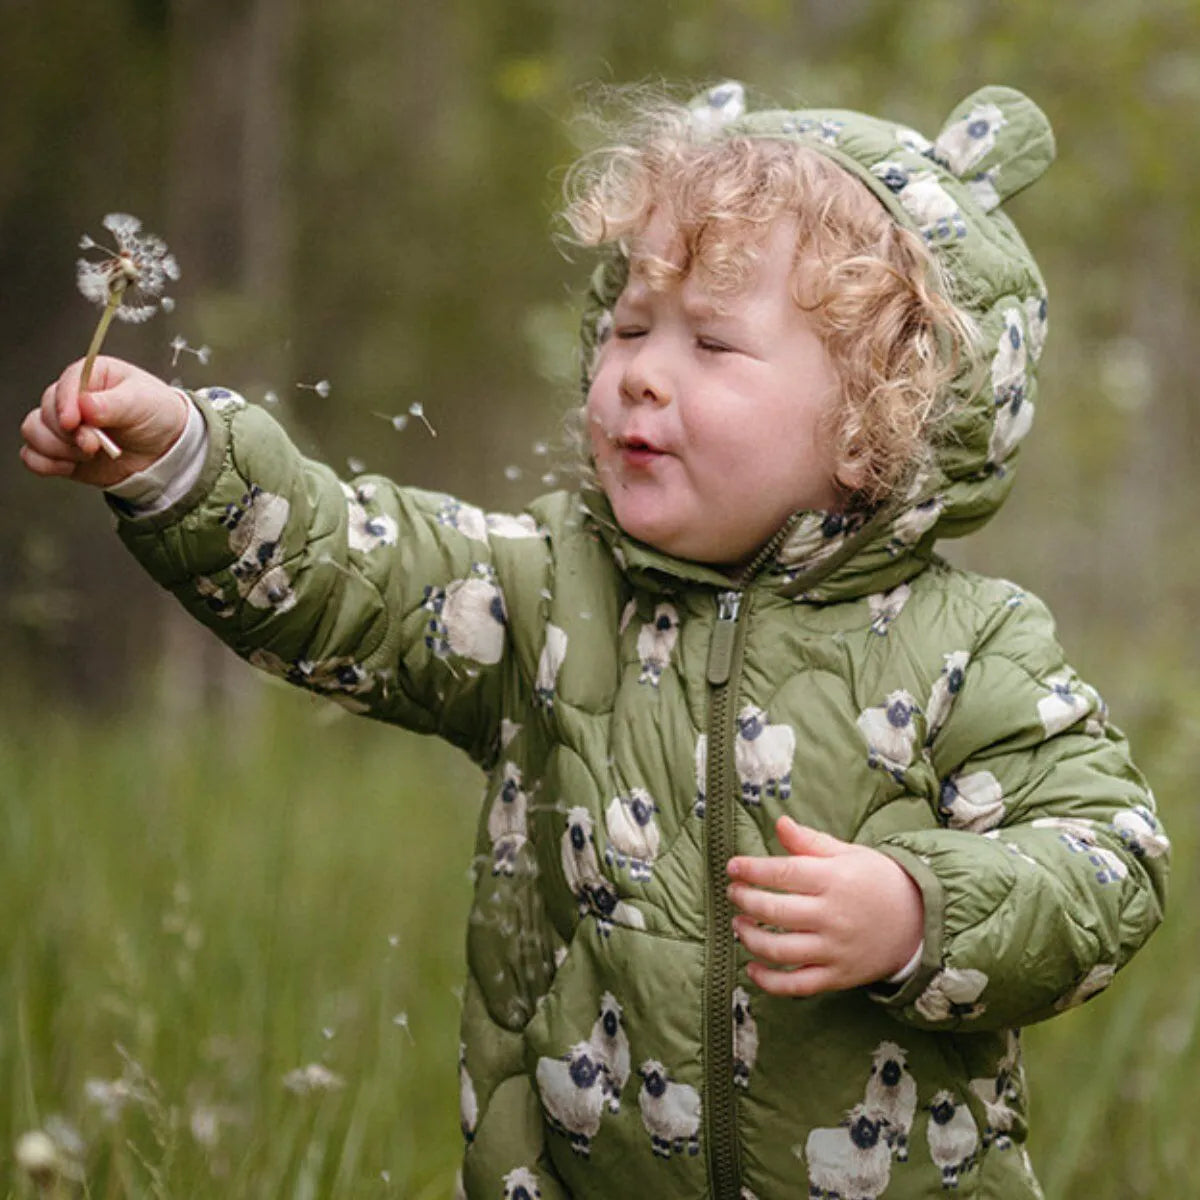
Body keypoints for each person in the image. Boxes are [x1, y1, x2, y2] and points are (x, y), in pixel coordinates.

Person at [22, 82, 1168, 1200]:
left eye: (712, 344)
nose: (639, 374)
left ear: (876, 419)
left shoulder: (972, 644)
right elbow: (356, 571)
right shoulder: (549, 594)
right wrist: (183, 460)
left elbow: (1109, 859)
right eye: (627, 325)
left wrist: (921, 910)